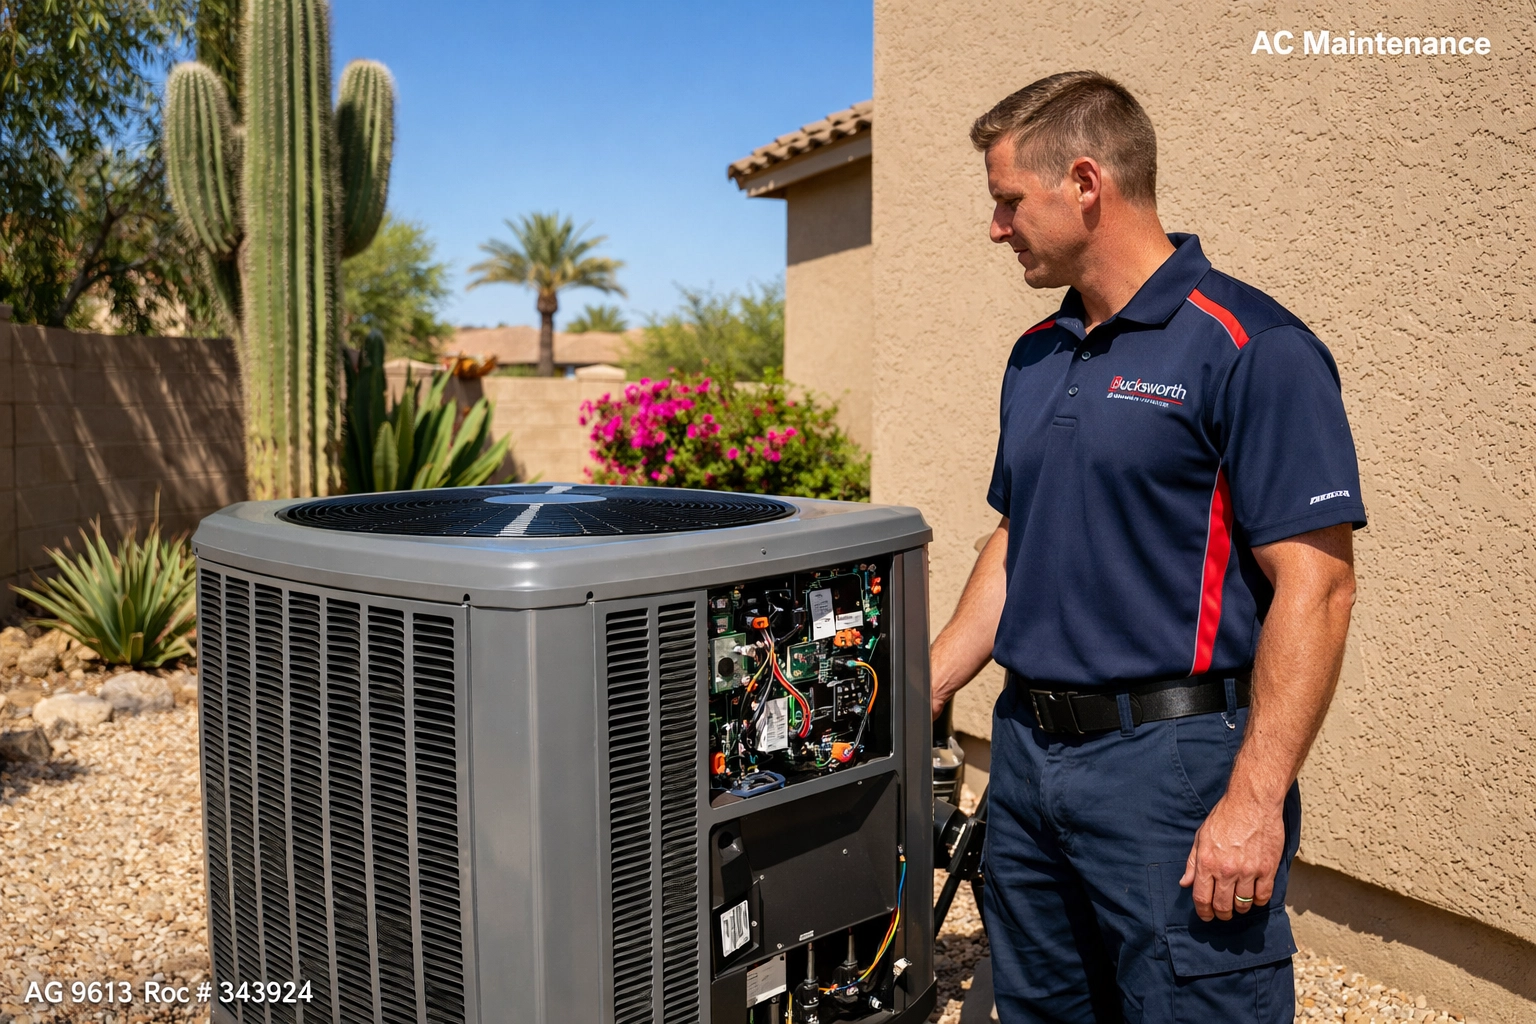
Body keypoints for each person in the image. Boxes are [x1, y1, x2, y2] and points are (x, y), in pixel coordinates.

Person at [929, 71, 1366, 1023]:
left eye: (1009, 202)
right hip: (1028, 757)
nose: (996, 228)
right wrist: (926, 683)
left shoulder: (1252, 346)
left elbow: (1318, 589)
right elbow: (1015, 538)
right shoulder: (1036, 355)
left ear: (1085, 183)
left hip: (1171, 768)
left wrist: (1254, 801)